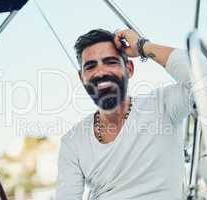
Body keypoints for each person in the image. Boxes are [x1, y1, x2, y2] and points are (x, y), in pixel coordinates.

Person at [55, 28, 195, 200]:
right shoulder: (72, 142)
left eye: (110, 62)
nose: (100, 72)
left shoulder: (163, 105)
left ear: (129, 68)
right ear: (81, 77)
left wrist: (142, 46)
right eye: (91, 66)